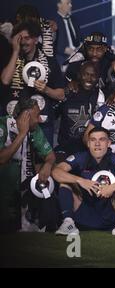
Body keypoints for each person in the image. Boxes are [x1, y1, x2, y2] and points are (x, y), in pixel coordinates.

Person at [52, 126, 115, 235]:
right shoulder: (81, 157)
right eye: (93, 140)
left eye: (102, 139)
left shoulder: (114, 158)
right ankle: (68, 223)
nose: (97, 143)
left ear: (109, 143)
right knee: (65, 182)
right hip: (83, 211)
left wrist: (112, 187)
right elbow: (56, 172)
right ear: (88, 143)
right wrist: (80, 180)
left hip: (110, 212)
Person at [0, 21, 65, 145]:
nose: (23, 42)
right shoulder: (10, 57)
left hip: (42, 123)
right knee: (13, 161)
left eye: (27, 38)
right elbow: (5, 80)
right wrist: (15, 52)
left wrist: (46, 89)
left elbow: (61, 94)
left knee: (44, 161)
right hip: (13, 121)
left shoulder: (49, 61)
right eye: (19, 38)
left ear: (35, 39)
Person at [0, 98, 55, 232]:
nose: (40, 120)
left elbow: (50, 155)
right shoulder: (2, 124)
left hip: (22, 187)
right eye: (36, 116)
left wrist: (47, 165)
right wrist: (22, 133)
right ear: (25, 116)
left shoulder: (34, 129)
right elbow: (1, 159)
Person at [55, 61, 105, 159]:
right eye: (85, 74)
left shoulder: (100, 96)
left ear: (98, 78)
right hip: (65, 148)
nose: (89, 79)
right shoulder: (69, 91)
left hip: (88, 150)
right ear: (79, 75)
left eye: (93, 75)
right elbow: (54, 113)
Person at [54, 0, 81, 67]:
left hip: (77, 56)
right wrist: (65, 50)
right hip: (62, 57)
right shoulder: (54, 21)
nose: (71, 5)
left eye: (71, 3)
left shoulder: (74, 20)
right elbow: (52, 43)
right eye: (68, 3)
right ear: (59, 5)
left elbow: (80, 38)